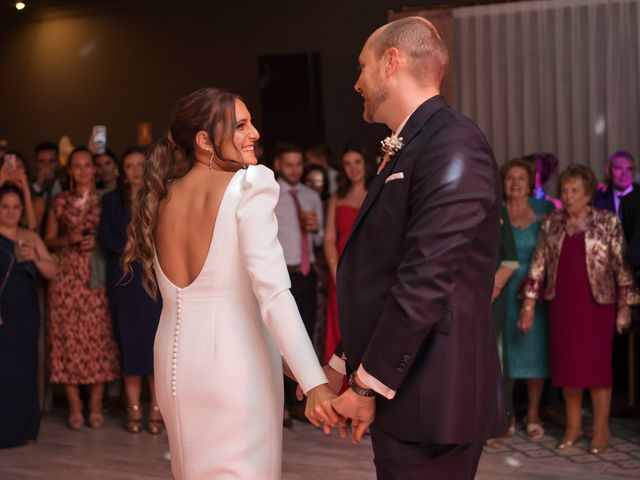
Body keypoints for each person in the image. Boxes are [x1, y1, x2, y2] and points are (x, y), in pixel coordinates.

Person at [322, 17, 507, 479]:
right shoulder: (417, 145)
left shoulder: (454, 143)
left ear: (391, 62)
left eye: (362, 66)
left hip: (434, 395)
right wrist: (342, 362)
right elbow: (386, 271)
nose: (357, 82)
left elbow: (425, 278)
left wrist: (365, 388)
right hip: (408, 392)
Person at [123, 87, 339, 480]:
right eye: (241, 125)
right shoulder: (250, 185)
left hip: (174, 367)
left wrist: (290, 361)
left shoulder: (164, 196)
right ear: (204, 140)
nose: (255, 132)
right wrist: (315, 383)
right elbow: (272, 293)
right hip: (236, 370)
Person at [520, 164, 638, 454]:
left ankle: (600, 428)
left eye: (574, 191)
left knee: (596, 371)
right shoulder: (551, 222)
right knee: (568, 370)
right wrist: (529, 304)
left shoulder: (607, 222)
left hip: (597, 306)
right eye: (564, 190)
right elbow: (538, 264)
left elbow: (621, 268)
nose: (568, 196)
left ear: (587, 194)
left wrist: (625, 308)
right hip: (562, 306)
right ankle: (573, 427)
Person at [44, 146, 121, 431]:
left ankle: (96, 405)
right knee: (68, 340)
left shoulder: (107, 200)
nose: (84, 170)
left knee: (98, 339)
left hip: (96, 276)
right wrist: (67, 239)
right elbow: (48, 239)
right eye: (77, 166)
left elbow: (116, 235)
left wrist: (97, 242)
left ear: (95, 168)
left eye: (88, 165)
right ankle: (75, 406)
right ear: (70, 171)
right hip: (66, 279)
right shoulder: (60, 200)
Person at [99, 147, 163, 434]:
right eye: (130, 165)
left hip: (152, 277)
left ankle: (157, 408)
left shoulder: (160, 197)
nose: (136, 170)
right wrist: (127, 245)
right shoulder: (112, 200)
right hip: (124, 277)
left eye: (140, 164)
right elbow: (105, 236)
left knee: (155, 343)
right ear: (122, 171)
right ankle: (134, 407)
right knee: (129, 341)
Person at [0, 185, 56, 448]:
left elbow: (52, 271)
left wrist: (35, 257)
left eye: (16, 206)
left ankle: (21, 428)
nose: (11, 212)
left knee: (23, 369)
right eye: (5, 206)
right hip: (2, 313)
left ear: (22, 209)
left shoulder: (30, 237)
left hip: (25, 313)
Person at [502, 158, 554, 439]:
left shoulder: (544, 211)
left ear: (530, 182)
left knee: (536, 352)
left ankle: (533, 412)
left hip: (535, 292)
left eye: (521, 177)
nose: (515, 182)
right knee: (505, 355)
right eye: (510, 177)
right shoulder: (495, 212)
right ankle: (507, 412)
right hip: (503, 291)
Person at [273, 143, 325, 425]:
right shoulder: (270, 195)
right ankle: (280, 403)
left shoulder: (311, 196)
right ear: (279, 165)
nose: (295, 169)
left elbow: (318, 240)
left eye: (298, 164)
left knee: (303, 336)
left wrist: (315, 230)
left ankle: (298, 403)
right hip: (282, 274)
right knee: (280, 338)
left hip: (307, 273)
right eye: (290, 164)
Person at [323, 143, 373, 363]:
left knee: (369, 326)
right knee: (341, 328)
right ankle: (340, 386)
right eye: (347, 164)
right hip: (342, 273)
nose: (353, 168)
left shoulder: (377, 192)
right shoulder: (337, 197)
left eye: (357, 162)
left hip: (371, 271)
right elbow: (329, 239)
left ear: (365, 163)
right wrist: (336, 272)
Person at [485, 206, 518, 448]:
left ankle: (495, 421)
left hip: (490, 295)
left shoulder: (499, 209)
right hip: (458, 294)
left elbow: (510, 259)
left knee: (494, 357)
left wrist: (492, 288)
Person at [0, 152, 37, 231]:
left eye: (19, 167)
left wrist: (25, 187)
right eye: (11, 166)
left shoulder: (36, 199)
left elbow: (32, 227)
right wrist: (1, 179)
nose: (15, 171)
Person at [594, 151, 637, 215]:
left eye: (629, 169)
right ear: (608, 170)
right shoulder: (598, 196)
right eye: (618, 168)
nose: (624, 174)